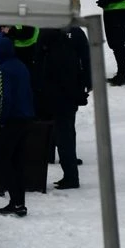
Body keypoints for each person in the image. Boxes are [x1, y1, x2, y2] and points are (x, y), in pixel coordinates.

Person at [0, 35, 34, 217]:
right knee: (18, 161)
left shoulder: (4, 70)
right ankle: (20, 202)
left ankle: (15, 201)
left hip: (13, 119)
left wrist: (1, 119)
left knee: (4, 159)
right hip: (26, 117)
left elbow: (5, 97)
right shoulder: (21, 66)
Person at [46, 27, 91, 190]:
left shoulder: (47, 32)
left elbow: (40, 61)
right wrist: (87, 83)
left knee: (61, 131)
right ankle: (70, 168)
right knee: (67, 129)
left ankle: (70, 173)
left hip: (56, 92)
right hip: (72, 90)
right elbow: (86, 59)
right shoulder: (76, 32)